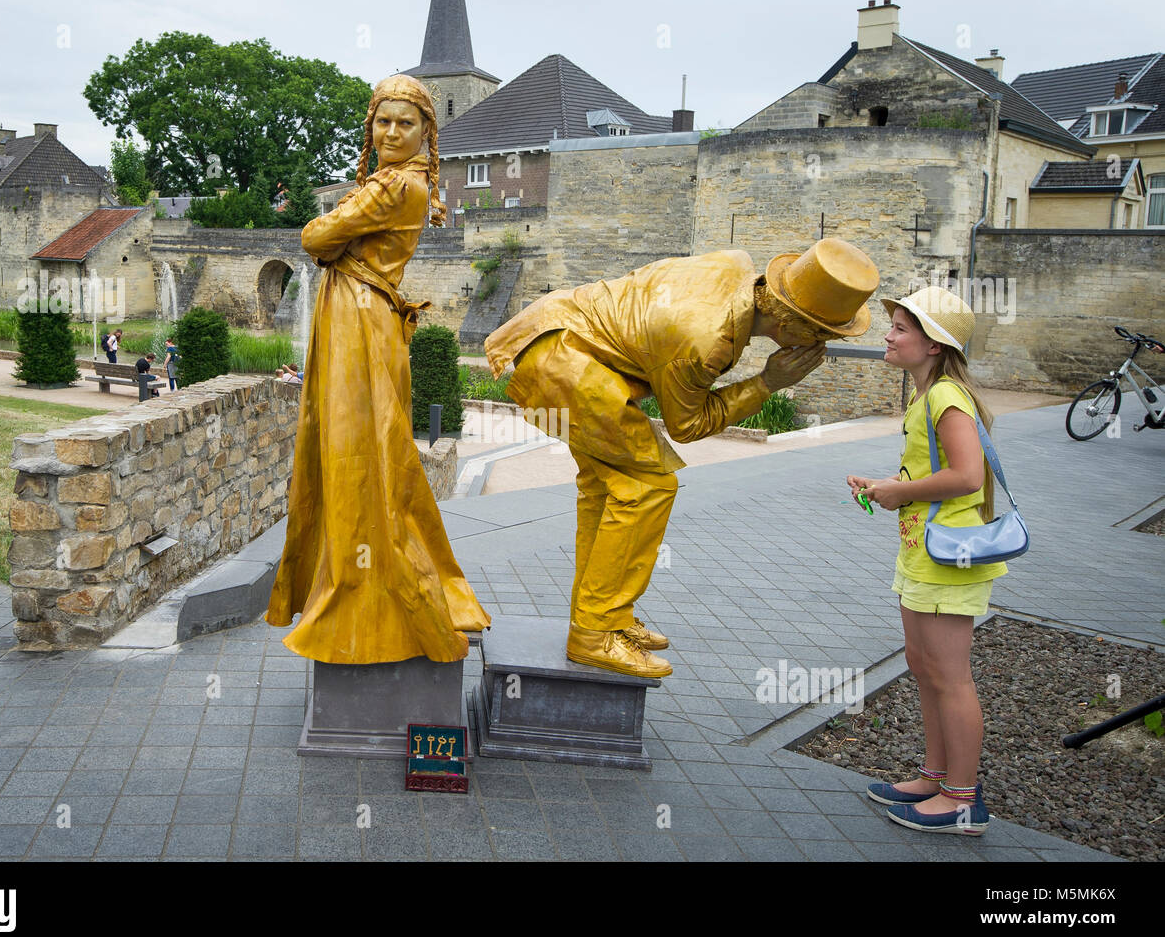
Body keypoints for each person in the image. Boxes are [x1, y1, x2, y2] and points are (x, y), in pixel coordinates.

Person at [485, 238, 879, 677]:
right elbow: (687, 427)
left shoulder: (735, 264)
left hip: (554, 339)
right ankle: (594, 634)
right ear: (794, 329)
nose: (820, 345)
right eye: (822, 335)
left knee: (609, 486)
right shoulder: (706, 342)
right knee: (649, 486)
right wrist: (768, 381)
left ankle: (601, 617)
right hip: (562, 367)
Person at [265, 74, 490, 664]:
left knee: (356, 453)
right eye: (382, 121)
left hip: (358, 321)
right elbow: (326, 242)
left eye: (404, 123)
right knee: (374, 450)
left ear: (425, 131)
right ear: (371, 126)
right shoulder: (403, 184)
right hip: (367, 314)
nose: (391, 132)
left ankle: (372, 598)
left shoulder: (394, 188)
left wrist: (332, 241)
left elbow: (315, 236)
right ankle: (392, 582)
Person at [846, 285, 1003, 835]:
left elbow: (967, 476)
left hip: (950, 555)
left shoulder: (945, 398)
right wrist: (888, 485)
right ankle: (936, 777)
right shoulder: (926, 394)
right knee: (925, 665)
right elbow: (934, 475)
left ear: (934, 344)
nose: (887, 335)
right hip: (924, 549)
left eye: (900, 328)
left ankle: (963, 799)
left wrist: (900, 493)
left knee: (950, 675)